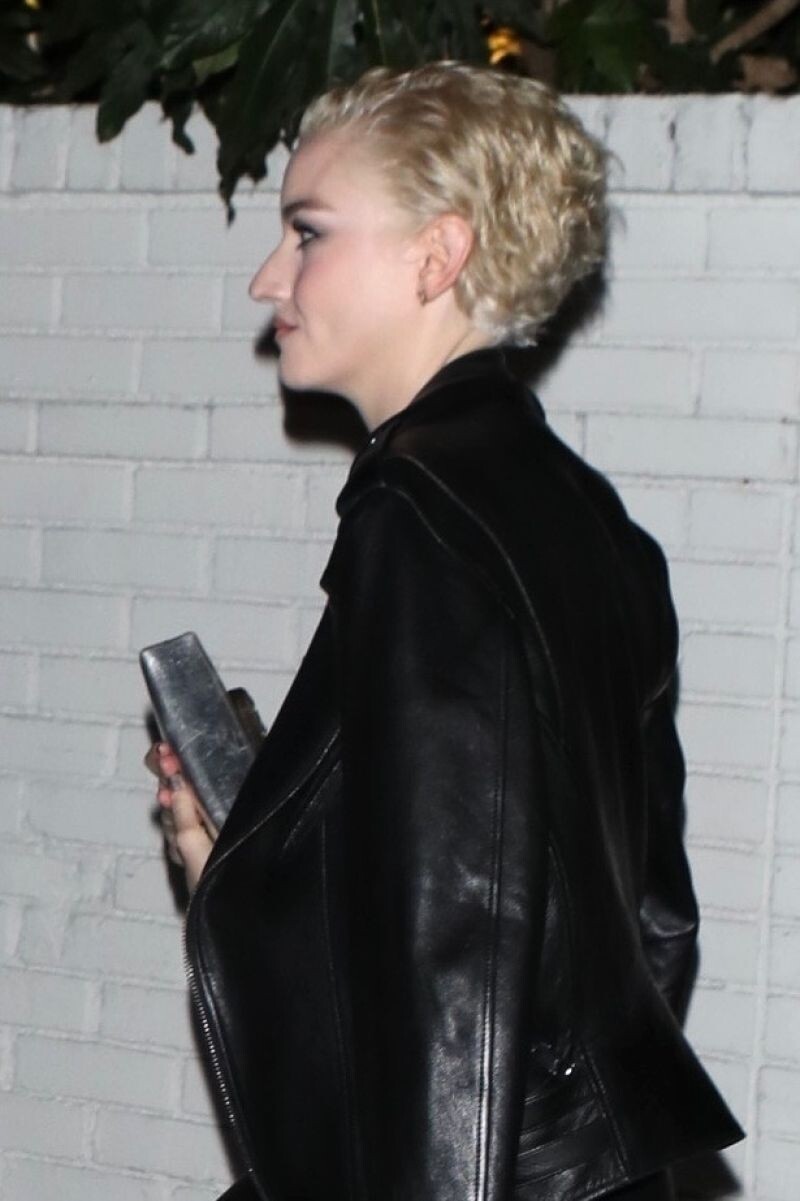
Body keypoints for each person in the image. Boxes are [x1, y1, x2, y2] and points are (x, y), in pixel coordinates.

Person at [148, 62, 743, 1201]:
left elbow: (458, 954)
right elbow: (648, 923)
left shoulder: (420, 518)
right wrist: (245, 859)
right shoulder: (592, 521)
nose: (269, 276)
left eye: (308, 232)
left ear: (437, 255)